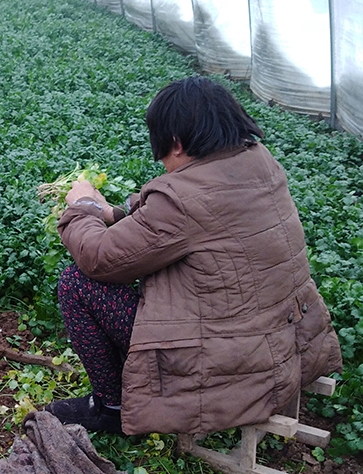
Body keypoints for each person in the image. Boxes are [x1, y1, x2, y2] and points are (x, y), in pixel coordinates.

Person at [46, 76, 341, 436]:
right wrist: (111, 215)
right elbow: (190, 215)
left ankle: (110, 406)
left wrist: (81, 208)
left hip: (223, 366)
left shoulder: (181, 200)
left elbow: (100, 257)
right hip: (283, 344)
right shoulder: (260, 162)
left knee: (77, 282)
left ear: (178, 143)